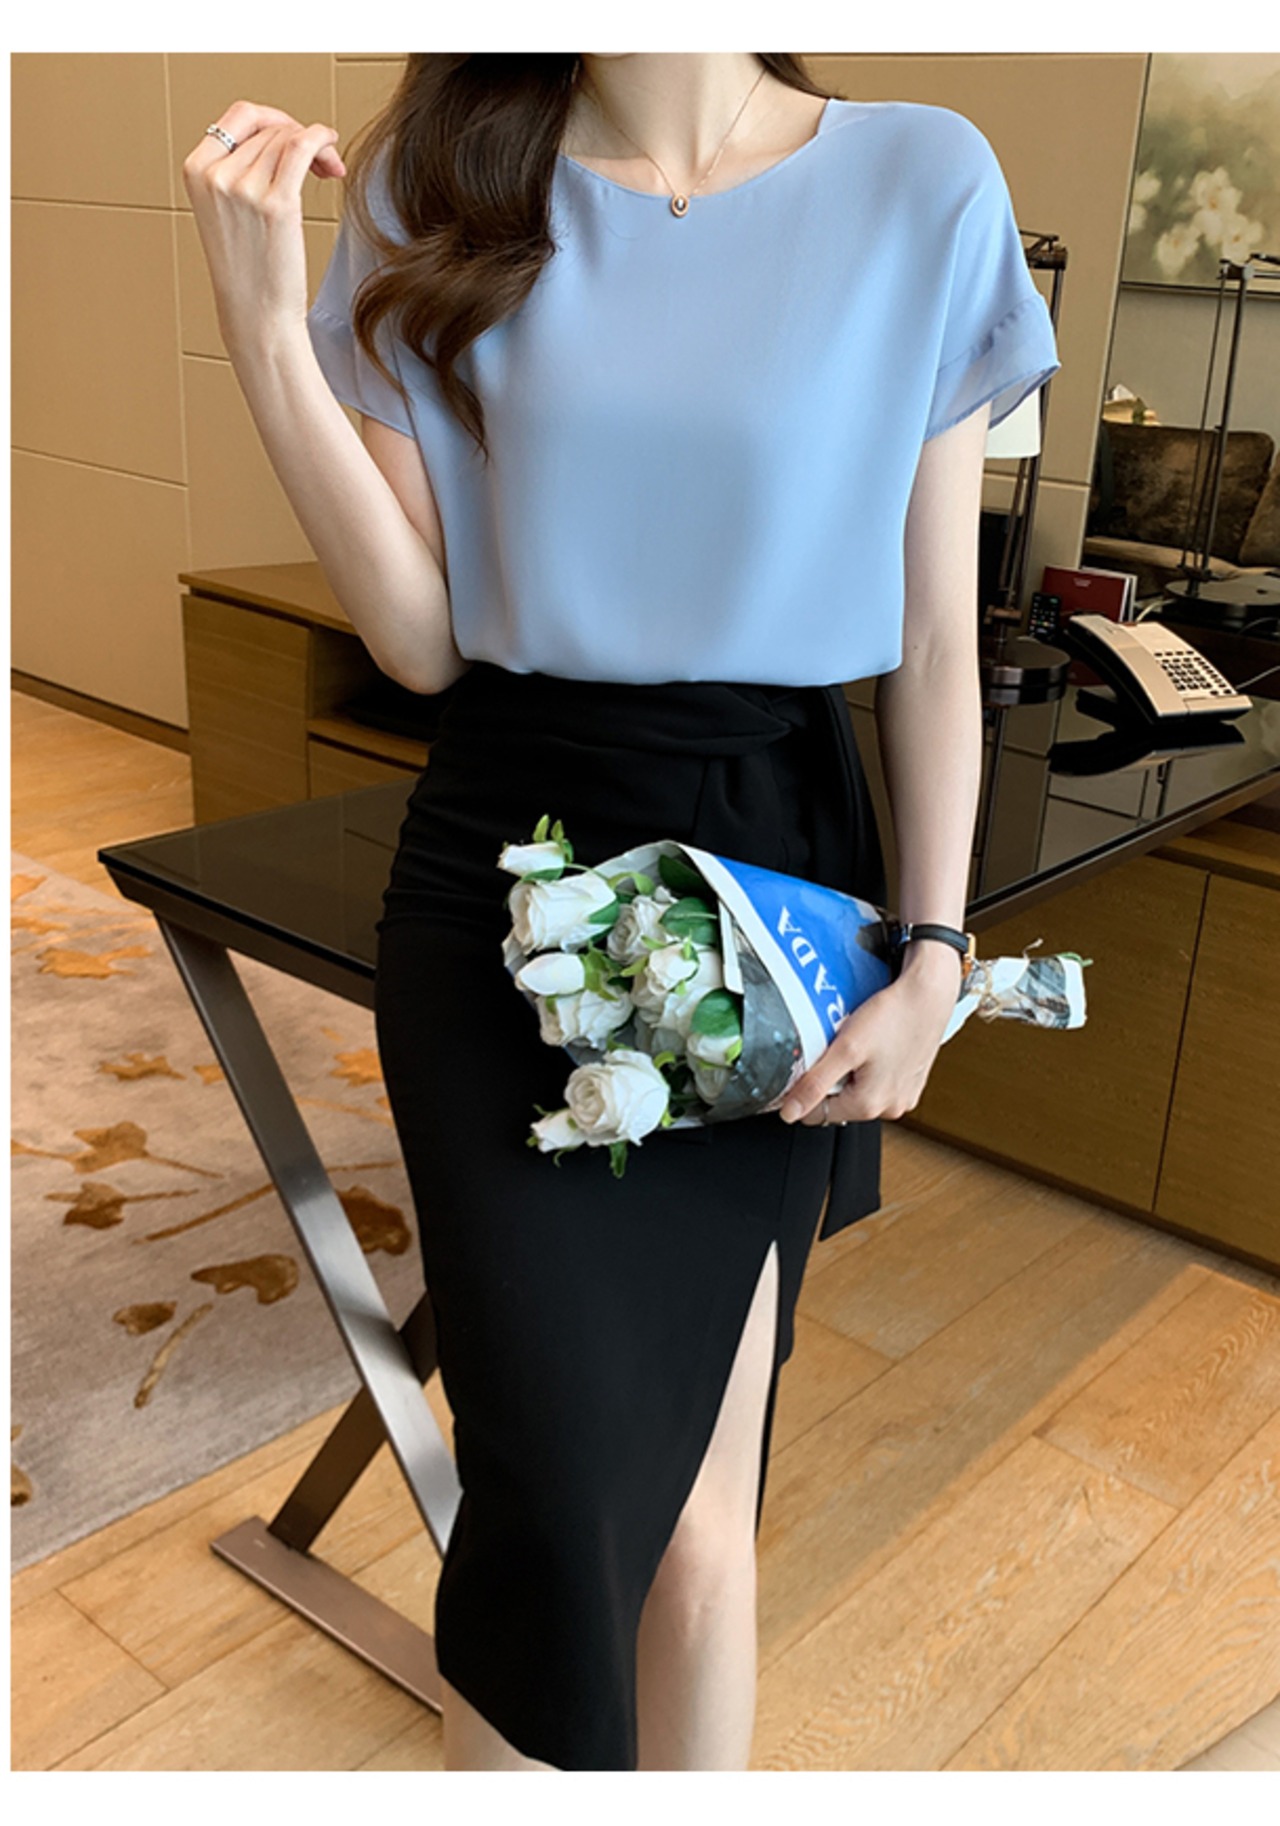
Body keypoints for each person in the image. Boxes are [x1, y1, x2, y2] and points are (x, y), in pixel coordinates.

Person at [183, 51, 1060, 1773]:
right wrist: (267, 338)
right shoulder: (435, 174)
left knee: (703, 1521)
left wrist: (936, 952)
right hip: (509, 870)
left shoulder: (925, 182)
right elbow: (419, 640)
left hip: (772, 879)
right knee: (554, 1501)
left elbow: (933, 642)